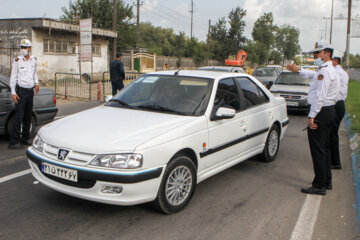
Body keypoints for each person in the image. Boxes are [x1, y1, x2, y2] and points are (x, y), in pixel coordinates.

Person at [287, 40, 340, 195]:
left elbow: (320, 96)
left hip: (321, 111)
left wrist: (311, 116)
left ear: (327, 53)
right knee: (325, 149)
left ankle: (319, 185)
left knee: (318, 150)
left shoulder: (325, 71)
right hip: (328, 111)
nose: (315, 55)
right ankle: (327, 181)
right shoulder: (326, 69)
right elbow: (314, 75)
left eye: (318, 53)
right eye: (315, 53)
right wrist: (299, 70)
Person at [9, 39, 39, 149]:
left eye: (25, 48)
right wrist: (13, 92)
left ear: (30, 49)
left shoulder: (34, 60)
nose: (23, 50)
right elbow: (13, 77)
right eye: (22, 47)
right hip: (20, 92)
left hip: (30, 91)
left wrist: (36, 83)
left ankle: (24, 138)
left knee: (27, 116)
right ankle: (14, 141)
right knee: (19, 117)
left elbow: (35, 73)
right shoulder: (17, 60)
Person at [330, 50, 349, 170]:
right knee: (332, 133)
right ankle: (333, 160)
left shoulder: (336, 72)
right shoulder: (342, 72)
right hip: (340, 105)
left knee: (332, 133)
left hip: (336, 105)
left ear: (335, 61)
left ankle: (336, 162)